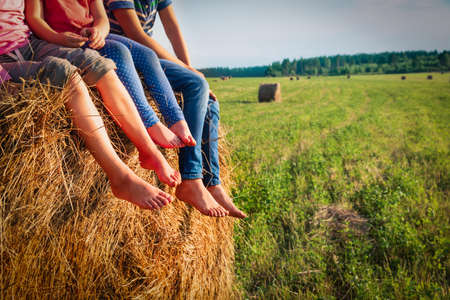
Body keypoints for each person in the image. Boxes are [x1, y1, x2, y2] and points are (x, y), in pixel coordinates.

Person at [0, 0, 180, 210]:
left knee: (99, 65)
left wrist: (64, 39)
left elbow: (31, 18)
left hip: (29, 44)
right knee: (66, 76)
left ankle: (149, 150)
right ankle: (120, 178)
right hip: (4, 60)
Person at [104, 0, 247, 218]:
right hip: (124, 53)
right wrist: (189, 72)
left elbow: (172, 28)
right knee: (196, 84)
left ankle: (211, 182)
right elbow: (135, 33)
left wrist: (190, 68)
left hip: (143, 54)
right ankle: (190, 179)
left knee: (206, 98)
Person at [26, 0, 195, 150]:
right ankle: (150, 122)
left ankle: (175, 118)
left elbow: (102, 18)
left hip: (92, 38)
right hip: (61, 42)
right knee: (118, 51)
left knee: (148, 54)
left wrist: (99, 31)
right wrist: (56, 37)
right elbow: (35, 18)